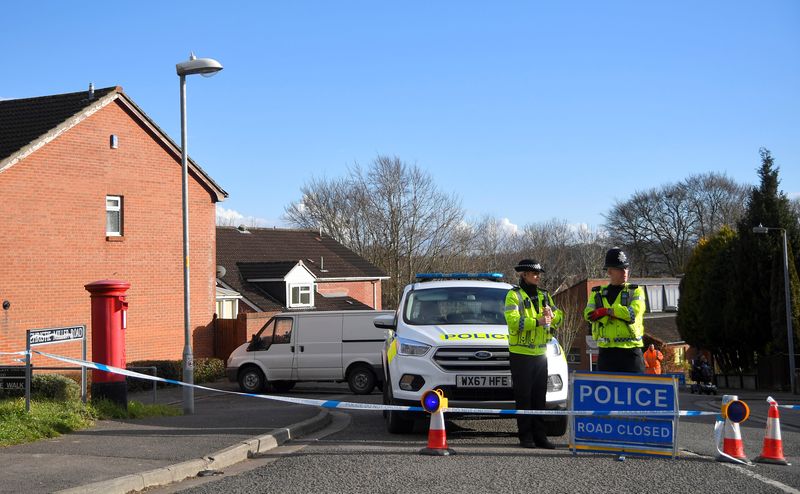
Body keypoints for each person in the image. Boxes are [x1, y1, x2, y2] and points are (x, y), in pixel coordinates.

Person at [504, 258, 564, 449]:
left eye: (539, 274)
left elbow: (559, 316)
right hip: (521, 354)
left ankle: (541, 436)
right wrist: (537, 321)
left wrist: (553, 317)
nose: (538, 277)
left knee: (540, 397)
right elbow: (514, 322)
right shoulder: (513, 296)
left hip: (540, 353)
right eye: (534, 273)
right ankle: (526, 437)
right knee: (524, 397)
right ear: (524, 275)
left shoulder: (545, 295)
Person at [583, 247, 646, 373]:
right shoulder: (597, 293)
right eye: (620, 269)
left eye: (626, 268)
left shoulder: (635, 291)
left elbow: (633, 312)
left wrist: (606, 312)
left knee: (634, 391)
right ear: (610, 271)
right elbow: (588, 315)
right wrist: (616, 313)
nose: (625, 272)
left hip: (631, 352)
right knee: (606, 391)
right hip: (607, 353)